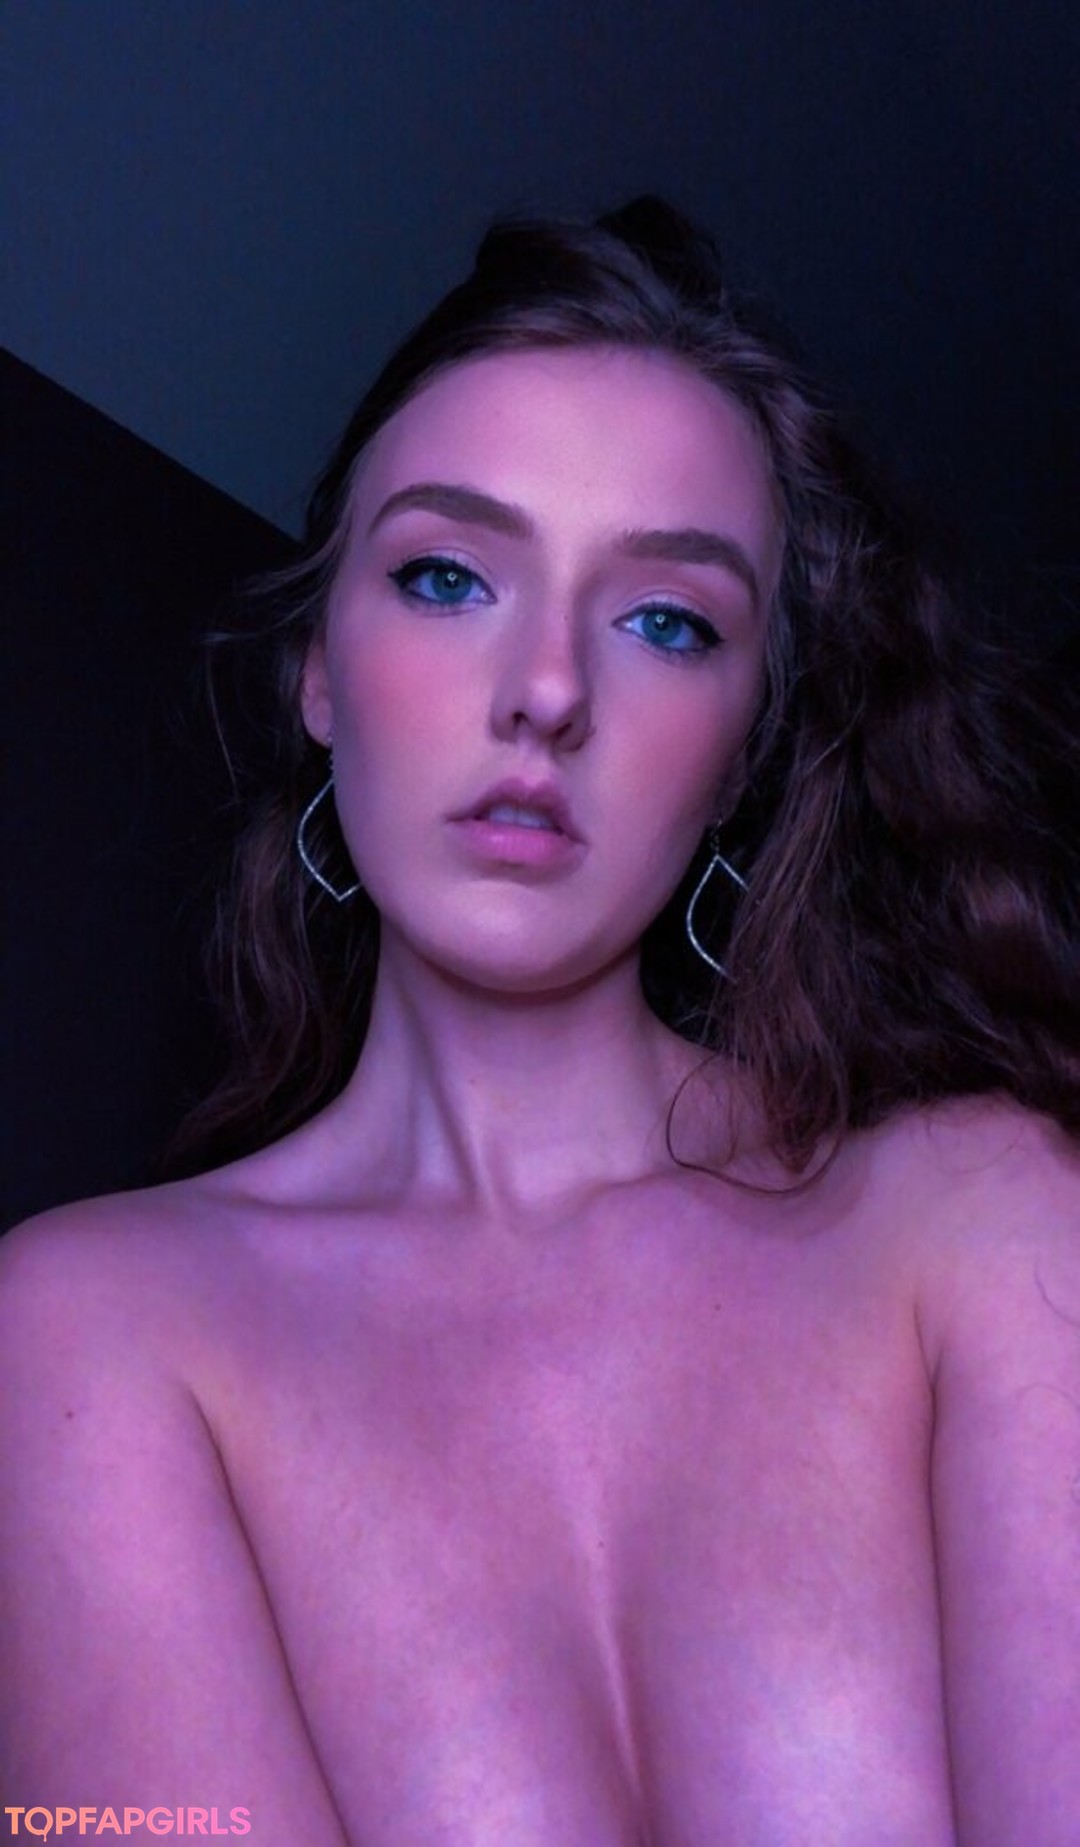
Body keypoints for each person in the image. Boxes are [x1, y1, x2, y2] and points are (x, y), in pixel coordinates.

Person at [1, 198, 1077, 1843]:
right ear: (319, 672)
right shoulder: (89, 1337)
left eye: (668, 620)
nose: (550, 689)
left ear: (744, 746)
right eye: (446, 577)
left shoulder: (990, 1216)